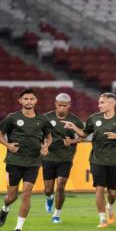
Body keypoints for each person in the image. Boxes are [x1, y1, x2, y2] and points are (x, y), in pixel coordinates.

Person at [63, 93, 116, 228]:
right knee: (99, 189)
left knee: (112, 192)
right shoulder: (93, 118)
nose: (99, 105)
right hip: (97, 159)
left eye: (102, 102)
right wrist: (74, 129)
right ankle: (102, 219)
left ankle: (110, 205)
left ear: (112, 104)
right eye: (99, 102)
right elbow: (85, 134)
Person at [0, 88, 53, 231]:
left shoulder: (43, 120)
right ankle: (5, 208)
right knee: (12, 196)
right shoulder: (12, 117)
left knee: (27, 194)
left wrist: (46, 147)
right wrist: (8, 146)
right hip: (14, 161)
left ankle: (18, 228)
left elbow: (49, 137)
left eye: (31, 99)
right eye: (26, 99)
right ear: (20, 101)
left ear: (36, 101)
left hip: (33, 162)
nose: (29, 101)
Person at [43, 93, 84, 223]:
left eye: (65, 106)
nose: (62, 108)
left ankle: (56, 215)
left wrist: (71, 142)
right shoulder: (46, 118)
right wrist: (43, 145)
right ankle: (49, 198)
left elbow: (83, 136)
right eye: (60, 105)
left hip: (66, 157)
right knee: (48, 190)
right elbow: (39, 134)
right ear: (55, 104)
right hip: (49, 157)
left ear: (69, 105)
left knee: (60, 186)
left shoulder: (75, 120)